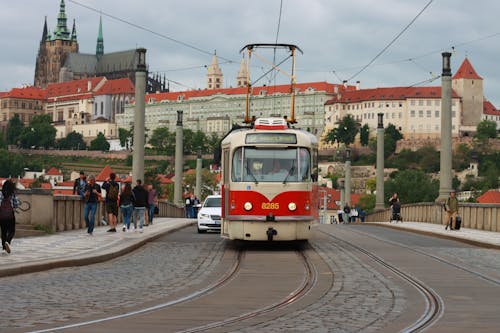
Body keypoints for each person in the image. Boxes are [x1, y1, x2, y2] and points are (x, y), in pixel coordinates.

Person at [0, 179, 20, 254]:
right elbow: (16, 204)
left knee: (3, 231)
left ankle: (4, 247)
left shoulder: (0, 194)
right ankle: (8, 242)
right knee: (12, 231)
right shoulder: (12, 194)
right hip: (10, 216)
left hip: (1, 216)